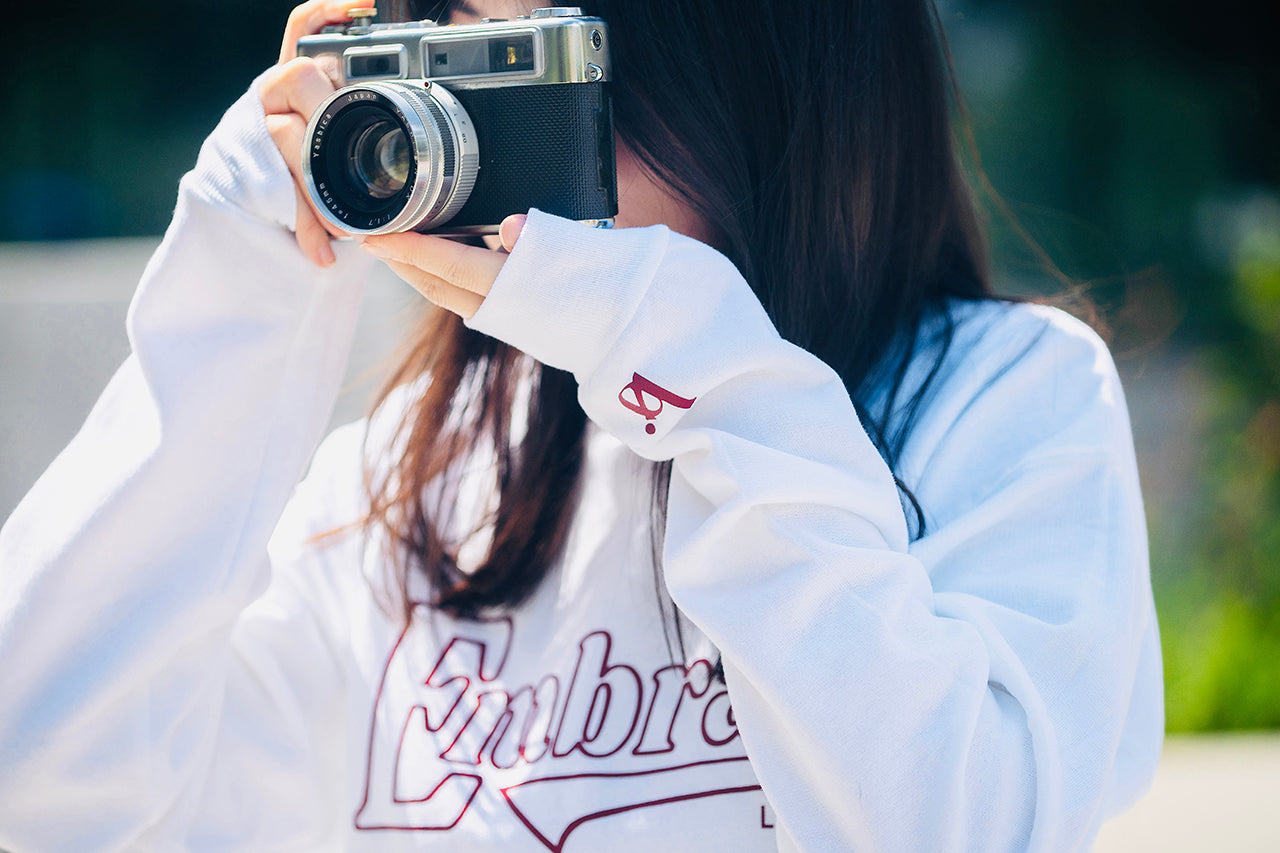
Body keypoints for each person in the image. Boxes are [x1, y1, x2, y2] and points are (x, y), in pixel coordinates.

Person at [0, 0, 1163, 850]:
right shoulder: (411, 470)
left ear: (755, 66)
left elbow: (953, 827)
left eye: (539, 68)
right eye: (446, 53)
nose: (479, 138)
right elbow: (48, 792)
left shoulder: (1002, 396)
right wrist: (241, 283)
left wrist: (688, 357)